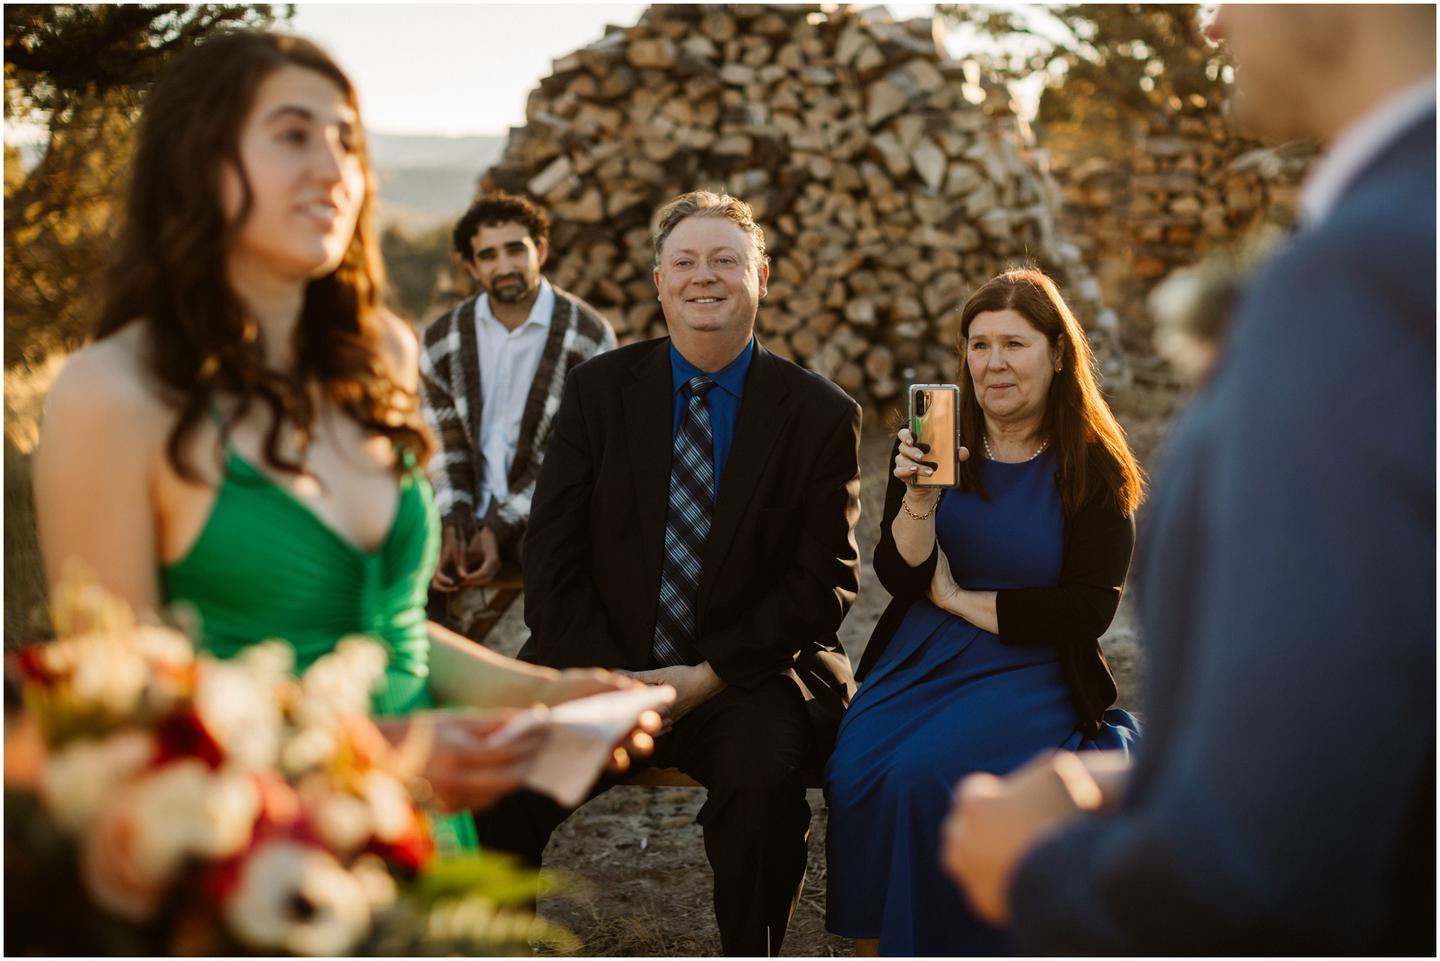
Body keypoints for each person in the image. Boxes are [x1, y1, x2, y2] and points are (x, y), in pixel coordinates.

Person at [31, 30, 654, 858]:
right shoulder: (111, 394)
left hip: (423, 840)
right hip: (251, 869)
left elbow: (388, 636)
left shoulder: (384, 355)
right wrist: (389, 753)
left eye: (348, 141)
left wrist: (548, 691)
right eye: (293, 134)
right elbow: (123, 718)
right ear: (198, 160)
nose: (334, 169)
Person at [942, 5, 1436, 954]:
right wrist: (1150, 783)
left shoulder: (1364, 283)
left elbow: (1265, 872)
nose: (1210, 25)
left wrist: (1033, 868)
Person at [475, 190, 863, 956]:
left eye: (725, 260)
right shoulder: (596, 393)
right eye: (684, 261)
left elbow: (822, 583)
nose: (703, 276)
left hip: (744, 676)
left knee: (763, 787)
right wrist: (614, 678)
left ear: (761, 277)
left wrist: (706, 676)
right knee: (497, 781)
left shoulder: (819, 413)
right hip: (599, 667)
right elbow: (551, 558)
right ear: (659, 282)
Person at [823, 268, 1144, 956]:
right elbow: (898, 574)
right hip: (922, 652)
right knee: (854, 773)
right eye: (979, 344)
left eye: (1014, 344)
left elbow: (1086, 609)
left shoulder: (1094, 467)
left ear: (1058, 355)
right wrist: (917, 500)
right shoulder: (939, 441)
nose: (993, 362)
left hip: (1028, 662)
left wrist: (959, 599)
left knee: (922, 775)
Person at [419, 191, 616, 622]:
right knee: (398, 553)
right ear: (470, 267)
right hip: (463, 505)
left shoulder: (588, 336)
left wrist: (500, 526)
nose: (504, 266)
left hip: (547, 508)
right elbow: (444, 445)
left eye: (515, 249)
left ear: (540, 250)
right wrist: (452, 521)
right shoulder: (441, 340)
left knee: (565, 562)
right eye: (488, 255)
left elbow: (570, 456)